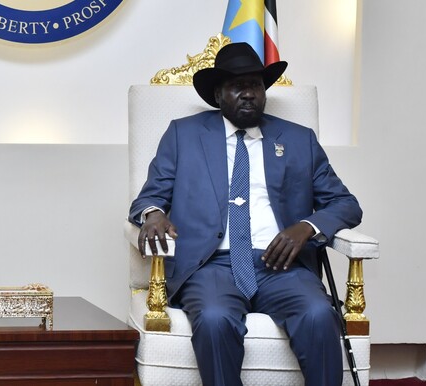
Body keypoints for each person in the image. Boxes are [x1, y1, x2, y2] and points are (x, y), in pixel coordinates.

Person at [128, 42, 362, 386]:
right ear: (219, 95)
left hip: (281, 266)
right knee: (214, 318)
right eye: (238, 86)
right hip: (210, 266)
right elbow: (149, 197)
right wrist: (153, 214)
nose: (248, 94)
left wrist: (308, 227)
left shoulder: (299, 140)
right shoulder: (184, 134)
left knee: (318, 314)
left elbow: (346, 204)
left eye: (254, 85)